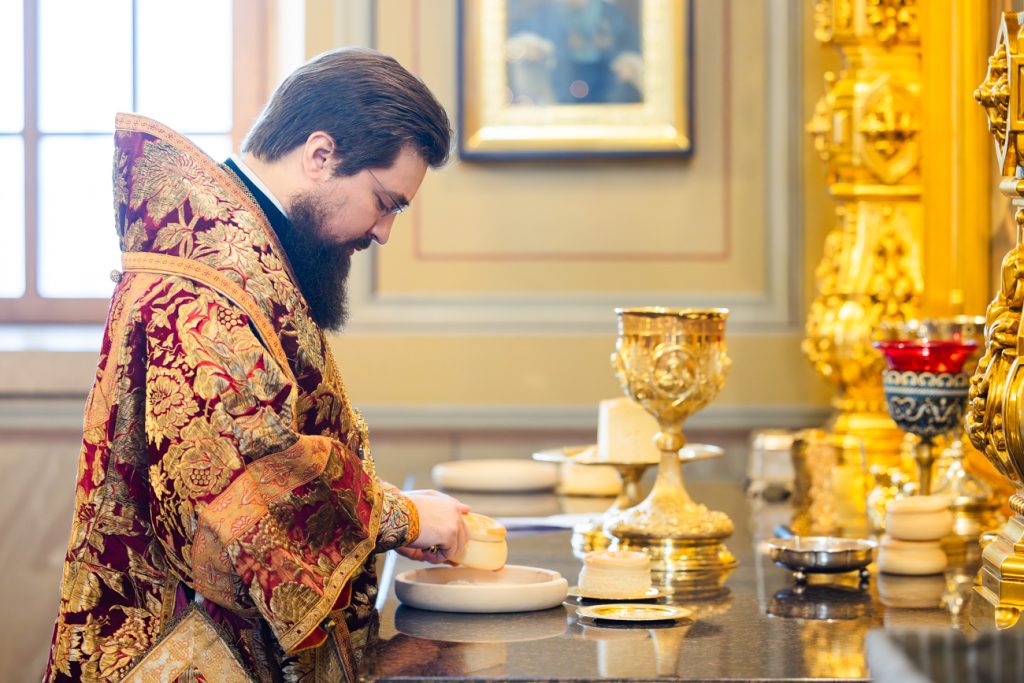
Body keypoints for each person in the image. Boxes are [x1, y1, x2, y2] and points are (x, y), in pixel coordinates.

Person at [44, 47, 472, 682]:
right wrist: (399, 517)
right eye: (385, 201)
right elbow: (245, 491)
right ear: (320, 155)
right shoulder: (205, 284)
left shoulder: (245, 252)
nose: (383, 231)